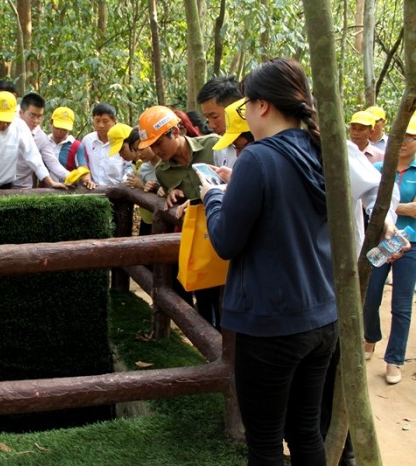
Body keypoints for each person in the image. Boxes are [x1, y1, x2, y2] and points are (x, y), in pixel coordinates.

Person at [198, 57, 338, 465]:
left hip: (272, 321)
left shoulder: (258, 159)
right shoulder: (321, 150)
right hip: (322, 317)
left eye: (244, 106)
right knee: (306, 431)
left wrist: (213, 197)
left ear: (262, 106)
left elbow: (225, 241)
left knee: (264, 442)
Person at [138, 106, 221, 329]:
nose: (156, 150)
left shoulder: (214, 146)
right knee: (205, 299)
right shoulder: (163, 172)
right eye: (151, 146)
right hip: (201, 245)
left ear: (175, 132)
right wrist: (172, 196)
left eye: (158, 143)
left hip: (227, 236)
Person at [363, 114, 416, 385]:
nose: (405, 142)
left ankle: (394, 360)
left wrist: (386, 204)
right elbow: (369, 202)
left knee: (402, 305)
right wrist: (400, 207)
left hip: (412, 244)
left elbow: (380, 204)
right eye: (402, 136)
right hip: (382, 241)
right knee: (370, 296)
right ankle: (370, 338)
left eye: (411, 137)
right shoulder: (380, 167)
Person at [14, 92, 70, 187]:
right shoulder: (7, 123)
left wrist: (72, 177)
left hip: (23, 185)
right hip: (1, 182)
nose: (35, 121)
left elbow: (52, 163)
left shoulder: (41, 138)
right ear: (21, 112)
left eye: (39, 116)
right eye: (32, 116)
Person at [196, 76, 243, 168]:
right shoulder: (220, 150)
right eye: (207, 118)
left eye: (215, 116)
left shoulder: (262, 144)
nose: (211, 126)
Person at [49, 106, 95, 189]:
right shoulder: (43, 142)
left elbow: (82, 167)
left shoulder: (76, 146)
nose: (60, 132)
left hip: (67, 191)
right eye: (57, 128)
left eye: (64, 129)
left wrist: (87, 180)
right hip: (43, 190)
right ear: (51, 123)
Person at [81, 103, 128, 186]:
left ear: (114, 121)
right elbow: (83, 164)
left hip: (118, 190)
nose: (101, 125)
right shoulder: (87, 140)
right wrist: (87, 180)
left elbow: (129, 166)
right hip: (93, 190)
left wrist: (124, 183)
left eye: (105, 121)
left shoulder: (122, 140)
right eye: (97, 121)